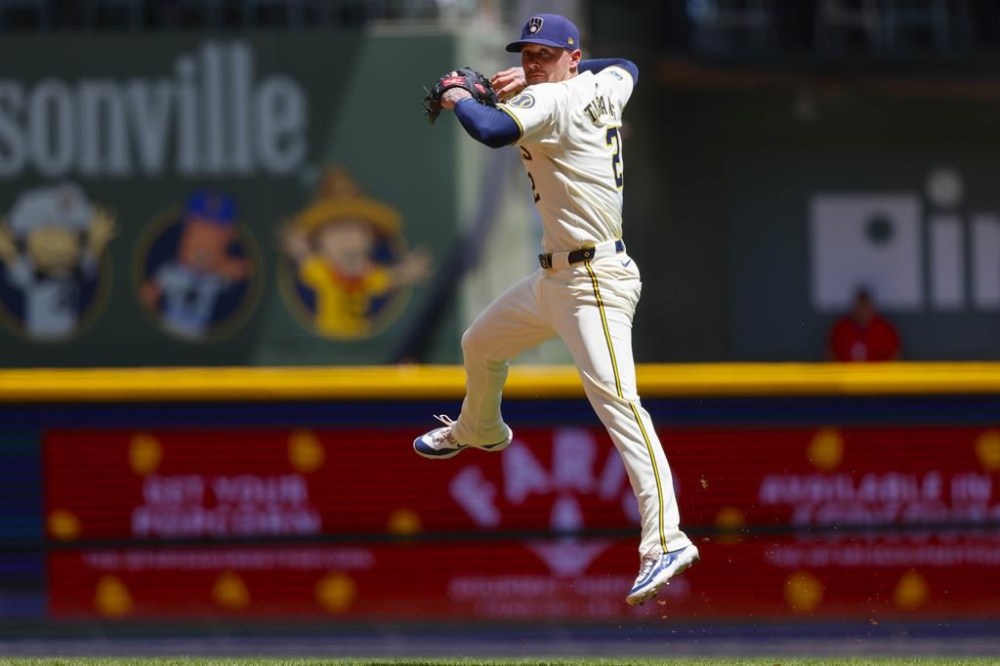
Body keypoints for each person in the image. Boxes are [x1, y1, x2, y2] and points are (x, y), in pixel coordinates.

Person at [412, 12, 699, 606]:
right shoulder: (600, 83)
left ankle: (667, 538)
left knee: (621, 405)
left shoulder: (556, 104)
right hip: (556, 279)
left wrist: (463, 94)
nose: (532, 63)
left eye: (546, 53)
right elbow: (627, 66)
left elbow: (489, 132)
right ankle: (481, 429)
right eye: (527, 53)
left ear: (571, 57)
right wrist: (545, 75)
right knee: (480, 344)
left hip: (593, 283)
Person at [825, 287, 902, 362]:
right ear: (854, 308)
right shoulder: (841, 329)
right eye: (860, 307)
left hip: (878, 374)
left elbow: (895, 356)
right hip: (847, 374)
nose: (863, 312)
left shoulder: (885, 329)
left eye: (866, 307)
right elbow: (830, 355)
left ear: (872, 308)